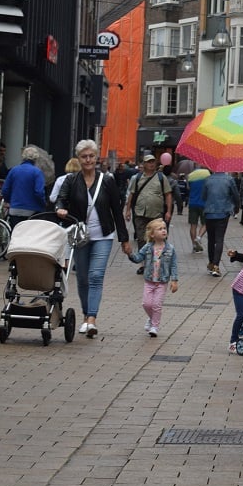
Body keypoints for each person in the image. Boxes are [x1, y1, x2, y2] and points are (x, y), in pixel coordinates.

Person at [55, 138, 130, 339]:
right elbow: (61, 199)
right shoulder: (71, 180)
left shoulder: (107, 180)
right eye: (84, 156)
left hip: (103, 235)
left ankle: (91, 319)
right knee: (82, 278)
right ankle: (86, 313)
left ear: (96, 158)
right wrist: (60, 209)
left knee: (96, 276)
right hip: (80, 236)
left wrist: (124, 238)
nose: (88, 160)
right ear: (78, 159)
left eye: (91, 156)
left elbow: (116, 210)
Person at [127, 218, 178, 337]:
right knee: (146, 304)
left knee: (156, 305)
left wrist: (174, 280)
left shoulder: (170, 249)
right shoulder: (148, 247)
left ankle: (155, 326)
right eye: (160, 229)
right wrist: (130, 254)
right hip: (149, 281)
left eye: (164, 228)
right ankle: (151, 318)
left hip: (162, 282)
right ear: (152, 234)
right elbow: (138, 258)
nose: (163, 231)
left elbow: (173, 265)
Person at [124, 153, 173, 257]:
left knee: (157, 238)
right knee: (141, 238)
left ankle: (156, 259)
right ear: (144, 164)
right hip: (140, 213)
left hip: (156, 214)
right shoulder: (137, 178)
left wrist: (168, 211)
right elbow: (131, 194)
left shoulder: (161, 177)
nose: (151, 164)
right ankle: (144, 261)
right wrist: (128, 210)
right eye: (149, 162)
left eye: (153, 162)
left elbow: (168, 194)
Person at [202, 170, 239, 277]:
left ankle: (211, 263)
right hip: (223, 213)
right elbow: (236, 195)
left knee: (211, 239)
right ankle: (216, 266)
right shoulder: (229, 180)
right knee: (219, 239)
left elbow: (203, 196)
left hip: (209, 212)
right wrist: (236, 207)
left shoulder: (208, 179)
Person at [1, 145, 48, 225]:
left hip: (15, 209)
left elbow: (5, 190)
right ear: (36, 158)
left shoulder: (14, 170)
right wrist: (43, 204)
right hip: (33, 210)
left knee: (16, 230)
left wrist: (9, 201)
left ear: (23, 157)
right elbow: (39, 192)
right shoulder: (37, 172)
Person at [186, 165, 211, 254]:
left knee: (193, 225)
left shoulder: (190, 175)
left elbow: (188, 188)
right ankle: (199, 237)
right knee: (206, 223)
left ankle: (194, 245)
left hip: (192, 203)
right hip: (204, 203)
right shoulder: (207, 174)